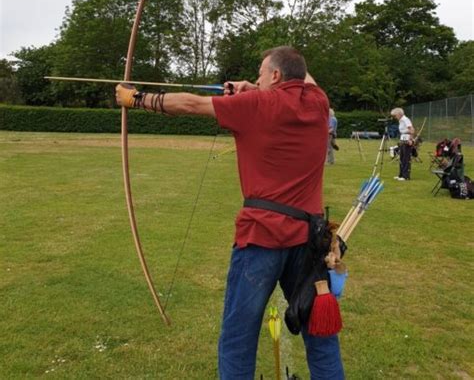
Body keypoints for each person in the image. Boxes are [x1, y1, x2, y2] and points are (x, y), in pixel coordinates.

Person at [116, 46, 344, 380]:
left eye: (261, 72)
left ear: (276, 76)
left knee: (238, 337)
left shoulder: (256, 105)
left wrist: (136, 99)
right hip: (310, 242)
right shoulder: (318, 103)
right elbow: (303, 77)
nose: (256, 78)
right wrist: (256, 87)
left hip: (261, 239)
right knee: (321, 337)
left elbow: (191, 103)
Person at [390, 107, 415, 181]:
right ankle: (401, 175)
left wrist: (410, 140)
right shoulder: (401, 120)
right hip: (402, 140)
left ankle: (406, 176)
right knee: (401, 158)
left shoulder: (405, 119)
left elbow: (412, 130)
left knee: (406, 159)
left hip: (407, 141)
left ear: (399, 114)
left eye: (395, 115)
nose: (395, 117)